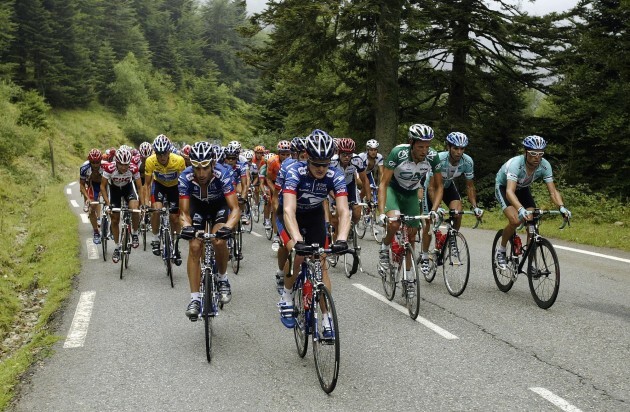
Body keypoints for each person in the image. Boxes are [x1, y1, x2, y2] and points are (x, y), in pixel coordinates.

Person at [276, 130, 350, 337]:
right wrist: (298, 240)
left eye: (325, 164)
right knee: (298, 254)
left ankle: (326, 319)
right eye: (316, 163)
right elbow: (288, 210)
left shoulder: (335, 175)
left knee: (321, 259)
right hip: (289, 216)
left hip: (314, 215)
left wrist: (342, 238)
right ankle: (287, 296)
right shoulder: (294, 172)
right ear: (307, 157)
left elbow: (344, 211)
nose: (321, 168)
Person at [178, 141, 241, 320]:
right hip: (197, 207)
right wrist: (186, 227)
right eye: (196, 168)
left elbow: (235, 209)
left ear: (213, 164)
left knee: (218, 240)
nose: (201, 173)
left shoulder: (224, 174)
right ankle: (195, 299)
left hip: (219, 206)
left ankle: (222, 278)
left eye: (205, 168)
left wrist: (228, 228)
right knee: (195, 246)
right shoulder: (185, 177)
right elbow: (183, 212)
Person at [494, 135, 572, 269]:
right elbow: (510, 192)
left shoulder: (544, 165)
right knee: (515, 221)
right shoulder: (516, 164)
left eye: (541, 154)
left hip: (523, 189)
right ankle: (501, 250)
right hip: (505, 188)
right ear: (525, 152)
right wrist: (520, 209)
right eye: (533, 153)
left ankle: (530, 262)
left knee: (532, 223)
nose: (537, 157)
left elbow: (553, 191)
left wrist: (561, 207)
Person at [377, 124, 443, 276]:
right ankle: (384, 247)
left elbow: (439, 186)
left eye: (427, 147)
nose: (424, 151)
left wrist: (434, 210)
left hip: (411, 193)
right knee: (394, 223)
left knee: (412, 235)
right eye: (420, 147)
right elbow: (383, 183)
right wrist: (381, 212)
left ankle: (409, 277)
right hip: (393, 190)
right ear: (411, 142)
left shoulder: (432, 157)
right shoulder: (398, 153)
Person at [423, 131, 484, 245]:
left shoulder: (467, 162)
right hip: (432, 188)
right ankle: (425, 255)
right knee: (428, 221)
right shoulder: (439, 159)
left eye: (462, 149)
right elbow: (431, 187)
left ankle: (451, 239)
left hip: (448, 185)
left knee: (458, 213)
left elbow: (470, 187)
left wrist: (475, 207)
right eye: (456, 148)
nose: (459, 152)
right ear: (448, 147)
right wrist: (438, 207)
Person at [271, 137, 308, 292]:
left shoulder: (315, 167)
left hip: (306, 210)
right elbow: (276, 193)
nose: (306, 157)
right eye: (302, 154)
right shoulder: (286, 166)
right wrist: (276, 218)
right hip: (286, 208)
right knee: (287, 247)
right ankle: (281, 273)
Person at [144, 134, 186, 261]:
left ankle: (175, 245)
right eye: (159, 154)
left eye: (164, 153)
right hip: (159, 186)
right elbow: (147, 184)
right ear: (155, 153)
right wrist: (146, 202)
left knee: (174, 217)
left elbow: (184, 182)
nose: (162, 157)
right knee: (156, 210)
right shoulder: (150, 161)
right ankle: (156, 238)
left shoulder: (178, 160)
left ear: (169, 151)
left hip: (174, 187)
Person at [100, 148, 143, 263]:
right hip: (114, 190)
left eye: (126, 165)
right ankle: (117, 247)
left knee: (134, 209)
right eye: (121, 164)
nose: (124, 167)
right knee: (114, 219)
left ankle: (134, 233)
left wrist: (142, 204)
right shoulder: (109, 168)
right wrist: (108, 204)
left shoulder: (133, 168)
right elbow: (103, 187)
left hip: (127, 188)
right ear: (116, 162)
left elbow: (139, 187)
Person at [330, 138, 370, 229]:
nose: (347, 157)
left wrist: (368, 199)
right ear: (338, 153)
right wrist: (335, 197)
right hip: (333, 187)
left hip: (350, 185)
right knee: (334, 216)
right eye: (344, 154)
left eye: (349, 154)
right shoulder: (332, 162)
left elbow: (365, 180)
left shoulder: (356, 160)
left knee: (357, 213)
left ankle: (351, 228)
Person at [266, 140, 292, 251]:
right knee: (275, 208)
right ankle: (277, 234)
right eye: (283, 154)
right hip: (274, 184)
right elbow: (268, 178)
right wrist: (274, 190)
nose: (285, 156)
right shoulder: (272, 161)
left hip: (287, 185)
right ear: (278, 153)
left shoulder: (292, 161)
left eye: (287, 154)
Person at [80, 149, 105, 244]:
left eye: (97, 162)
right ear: (89, 161)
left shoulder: (106, 166)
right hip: (92, 184)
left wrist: (103, 193)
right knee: (92, 207)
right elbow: (82, 185)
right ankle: (96, 232)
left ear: (101, 161)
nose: (95, 165)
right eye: (93, 163)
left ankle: (109, 224)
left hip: (105, 183)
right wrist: (88, 198)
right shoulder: (84, 168)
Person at [358, 139, 384, 204]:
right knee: (366, 186)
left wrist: (382, 184)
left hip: (368, 173)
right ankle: (359, 199)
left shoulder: (379, 157)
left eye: (375, 150)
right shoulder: (361, 156)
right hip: (358, 173)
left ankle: (369, 204)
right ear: (367, 150)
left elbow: (381, 173)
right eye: (371, 150)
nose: (373, 152)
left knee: (373, 188)